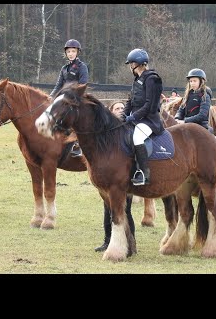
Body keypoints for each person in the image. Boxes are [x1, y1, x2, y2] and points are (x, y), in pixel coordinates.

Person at [95, 100, 136, 252]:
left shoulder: (128, 132)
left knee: (126, 211)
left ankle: (131, 243)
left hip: (123, 180)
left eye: (122, 108)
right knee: (108, 211)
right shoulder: (106, 132)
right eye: (116, 108)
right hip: (110, 180)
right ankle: (108, 241)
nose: (120, 110)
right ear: (111, 112)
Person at [123, 48, 164, 186]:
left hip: (149, 120)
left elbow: (148, 105)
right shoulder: (137, 79)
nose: (130, 66)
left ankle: (144, 173)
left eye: (131, 63)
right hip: (136, 118)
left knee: (137, 137)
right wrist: (123, 114)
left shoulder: (152, 79)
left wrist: (133, 117)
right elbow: (130, 100)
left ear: (139, 63)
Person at [50, 39, 89, 157]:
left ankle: (77, 144)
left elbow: (83, 84)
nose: (71, 53)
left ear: (77, 52)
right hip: (63, 99)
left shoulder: (82, 67)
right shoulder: (64, 68)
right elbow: (58, 85)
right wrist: (51, 97)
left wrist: (72, 97)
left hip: (77, 99)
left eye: (73, 51)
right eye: (69, 51)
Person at [174, 68, 213, 133]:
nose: (192, 83)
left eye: (195, 81)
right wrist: (177, 119)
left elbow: (202, 115)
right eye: (191, 81)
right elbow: (181, 110)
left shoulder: (205, 96)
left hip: (200, 126)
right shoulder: (187, 95)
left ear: (201, 81)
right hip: (187, 124)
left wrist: (185, 121)